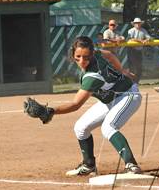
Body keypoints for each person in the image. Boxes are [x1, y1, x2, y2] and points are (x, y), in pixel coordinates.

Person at [41, 36, 142, 176]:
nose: (82, 61)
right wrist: (121, 71)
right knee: (81, 127)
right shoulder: (96, 54)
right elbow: (109, 55)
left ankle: (131, 165)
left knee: (108, 127)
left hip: (128, 95)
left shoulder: (92, 76)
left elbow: (75, 104)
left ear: (92, 54)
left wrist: (50, 111)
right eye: (78, 56)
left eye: (86, 57)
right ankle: (89, 165)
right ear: (73, 54)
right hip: (110, 98)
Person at [127, 17, 152, 83]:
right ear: (134, 24)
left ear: (140, 24)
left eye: (138, 23)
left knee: (139, 67)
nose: (137, 24)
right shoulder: (131, 30)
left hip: (139, 50)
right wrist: (141, 41)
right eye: (136, 23)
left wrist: (146, 39)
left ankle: (136, 81)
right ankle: (131, 81)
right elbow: (130, 39)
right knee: (132, 66)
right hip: (131, 50)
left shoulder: (143, 30)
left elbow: (149, 37)